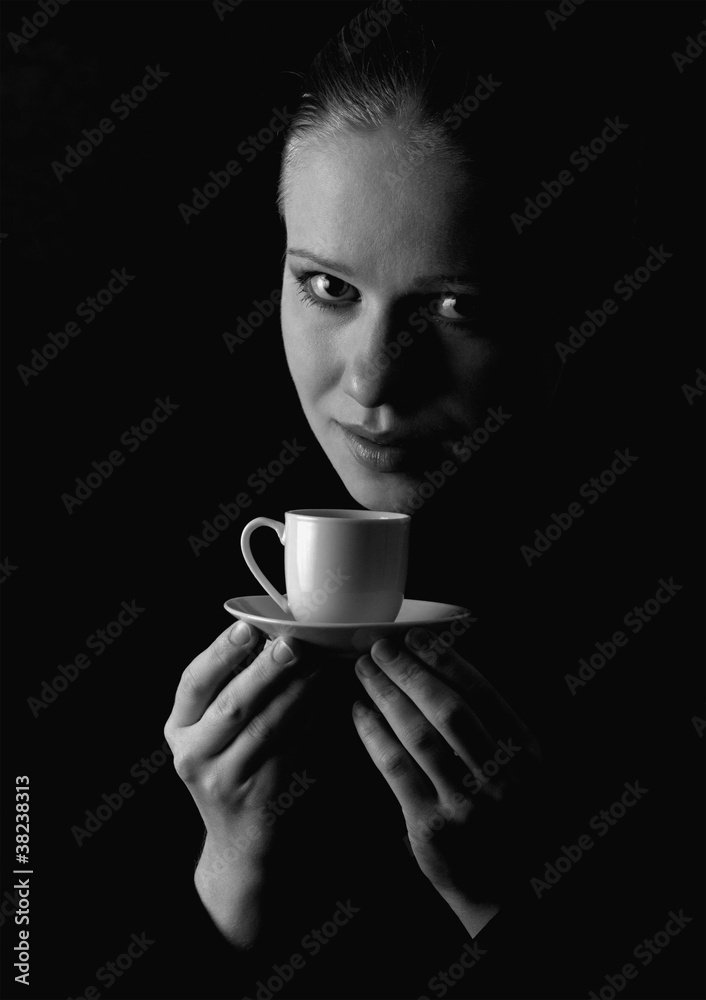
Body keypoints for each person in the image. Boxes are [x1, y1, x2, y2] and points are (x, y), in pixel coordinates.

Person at [162, 4, 703, 998]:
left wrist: (510, 901)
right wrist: (231, 869)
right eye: (325, 287)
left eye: (455, 307)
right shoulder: (143, 576)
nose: (372, 379)